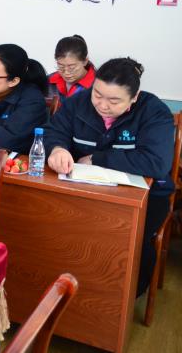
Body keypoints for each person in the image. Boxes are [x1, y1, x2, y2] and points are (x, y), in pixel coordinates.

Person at [44, 58, 174, 297]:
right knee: (57, 227)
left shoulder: (154, 112)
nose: (102, 105)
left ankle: (120, 298)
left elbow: (157, 162)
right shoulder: (78, 102)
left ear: (134, 97)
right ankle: (69, 289)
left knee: (126, 239)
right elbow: (54, 131)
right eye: (97, 94)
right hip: (84, 187)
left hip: (146, 196)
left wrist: (98, 158)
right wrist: (57, 149)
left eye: (114, 101)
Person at [47, 35, 96, 101]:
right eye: (61, 67)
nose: (66, 73)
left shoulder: (97, 85)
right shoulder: (47, 81)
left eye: (71, 67)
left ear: (85, 61)